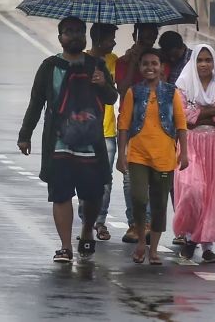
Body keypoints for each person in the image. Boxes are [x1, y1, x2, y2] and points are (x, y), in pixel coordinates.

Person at [17, 16, 117, 264]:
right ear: (60, 37)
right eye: (69, 31)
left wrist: (103, 84)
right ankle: (65, 247)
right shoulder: (49, 67)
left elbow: (111, 98)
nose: (74, 35)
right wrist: (25, 135)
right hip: (58, 144)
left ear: (85, 36)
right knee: (60, 194)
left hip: (91, 143)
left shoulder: (96, 65)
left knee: (93, 194)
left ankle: (87, 230)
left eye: (79, 31)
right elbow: (36, 102)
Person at [117, 48, 188, 266]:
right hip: (138, 155)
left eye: (154, 63)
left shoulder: (172, 93)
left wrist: (184, 153)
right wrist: (121, 155)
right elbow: (123, 125)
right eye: (145, 63)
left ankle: (154, 249)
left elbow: (181, 124)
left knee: (159, 204)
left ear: (161, 67)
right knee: (138, 198)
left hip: (165, 156)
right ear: (140, 67)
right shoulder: (134, 92)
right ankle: (141, 241)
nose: (150, 67)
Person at [172, 44, 215, 263]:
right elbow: (182, 117)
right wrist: (212, 111)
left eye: (208, 60)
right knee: (193, 190)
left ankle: (206, 244)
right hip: (190, 144)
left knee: (213, 195)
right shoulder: (183, 85)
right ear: (193, 62)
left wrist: (198, 115)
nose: (204, 64)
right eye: (199, 60)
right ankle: (188, 234)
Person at [114, 22, 162, 243]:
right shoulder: (124, 62)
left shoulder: (159, 62)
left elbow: (166, 90)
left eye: (152, 34)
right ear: (135, 34)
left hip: (155, 128)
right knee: (129, 178)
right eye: (143, 34)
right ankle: (134, 223)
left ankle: (149, 223)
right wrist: (134, 62)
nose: (147, 38)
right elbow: (122, 89)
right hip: (130, 126)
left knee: (152, 178)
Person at [79, 22, 119, 242]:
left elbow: (114, 94)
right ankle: (86, 221)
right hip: (85, 131)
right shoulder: (80, 61)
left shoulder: (114, 61)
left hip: (107, 130)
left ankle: (100, 221)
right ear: (99, 40)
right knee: (84, 178)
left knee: (105, 180)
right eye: (111, 38)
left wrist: (104, 82)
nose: (114, 42)